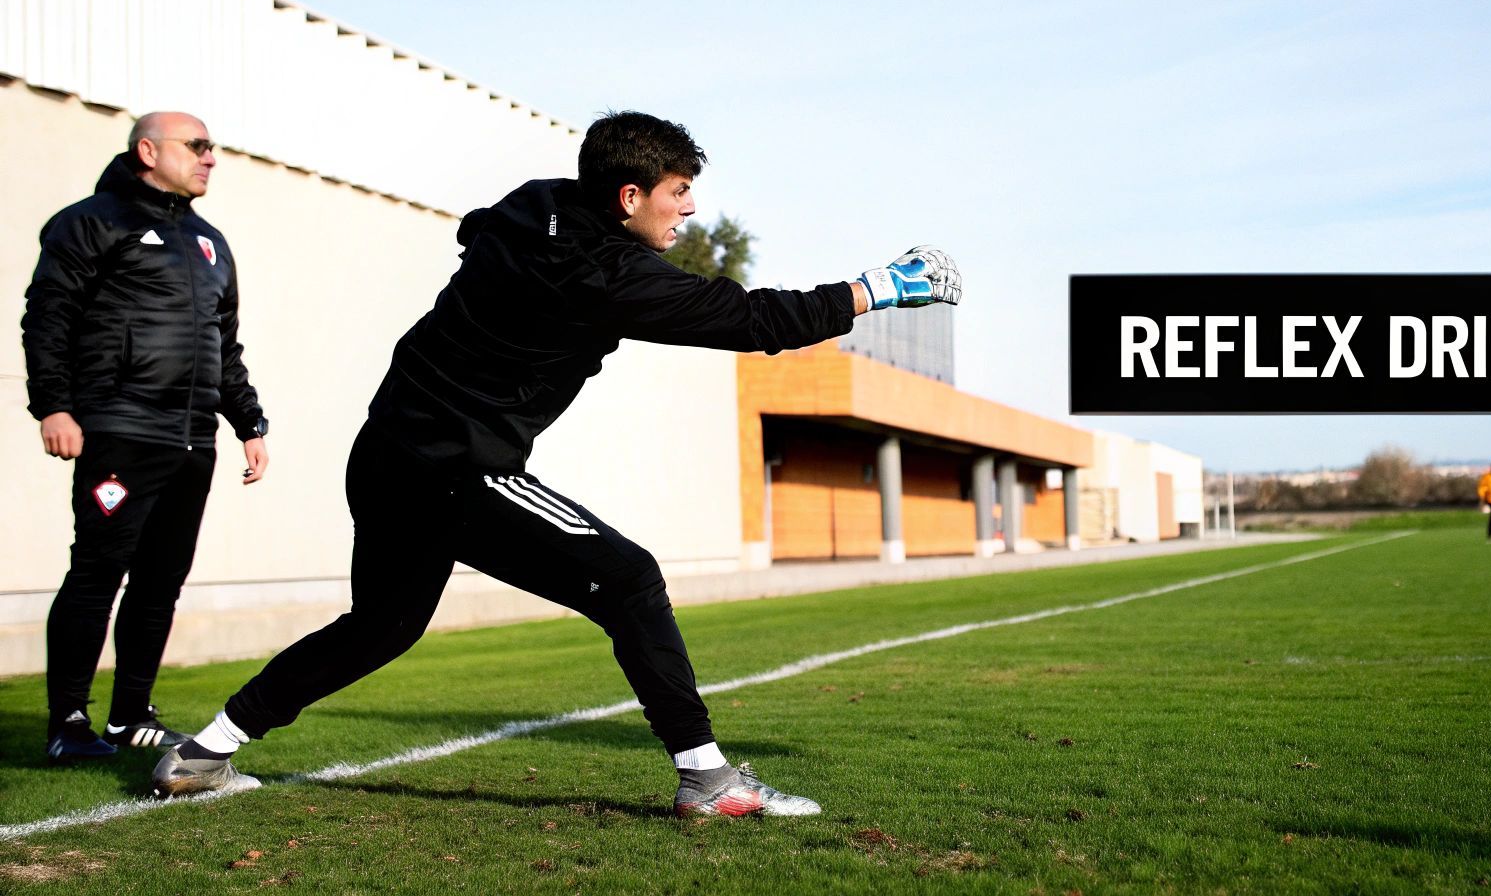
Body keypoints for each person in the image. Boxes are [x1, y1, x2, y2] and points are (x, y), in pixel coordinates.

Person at [151, 111, 960, 817]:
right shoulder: (602, 275)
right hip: (457, 466)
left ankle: (203, 753)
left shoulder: (537, 203)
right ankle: (708, 782)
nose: (689, 207)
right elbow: (750, 320)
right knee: (632, 580)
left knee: (380, 628)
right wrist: (879, 287)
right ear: (629, 197)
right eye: (678, 191)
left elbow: (481, 226)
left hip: (386, 452)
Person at [22, 112, 271, 764]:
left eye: (213, 147)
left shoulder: (209, 241)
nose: (210, 157)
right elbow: (48, 317)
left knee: (161, 581)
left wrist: (247, 421)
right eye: (198, 146)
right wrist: (55, 406)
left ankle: (131, 716)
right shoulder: (92, 220)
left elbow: (224, 344)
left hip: (191, 440)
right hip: (120, 428)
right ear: (148, 150)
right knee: (99, 570)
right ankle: (69, 722)